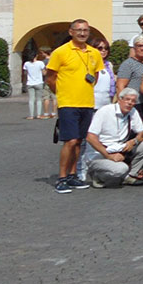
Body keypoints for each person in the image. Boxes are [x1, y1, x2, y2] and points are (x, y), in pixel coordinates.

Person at [46, 20, 102, 194]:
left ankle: (72, 175)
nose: (82, 33)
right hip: (68, 103)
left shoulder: (94, 53)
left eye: (86, 30)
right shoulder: (61, 52)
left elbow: (96, 75)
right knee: (69, 141)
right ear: (71, 32)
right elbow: (50, 77)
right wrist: (62, 93)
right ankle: (62, 178)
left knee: (79, 141)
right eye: (79, 30)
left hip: (86, 102)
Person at [85, 89, 143, 188]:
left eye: (133, 101)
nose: (130, 103)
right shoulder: (104, 111)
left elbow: (141, 134)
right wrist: (109, 156)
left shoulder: (133, 112)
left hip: (119, 149)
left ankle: (131, 176)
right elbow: (90, 137)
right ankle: (97, 174)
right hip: (100, 154)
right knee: (121, 169)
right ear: (119, 99)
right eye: (127, 99)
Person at [24, 49, 49, 120]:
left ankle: (31, 115)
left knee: (31, 99)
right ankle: (38, 115)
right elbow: (44, 73)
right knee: (39, 99)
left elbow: (25, 74)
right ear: (36, 56)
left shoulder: (26, 64)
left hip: (30, 83)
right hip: (39, 82)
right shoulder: (40, 63)